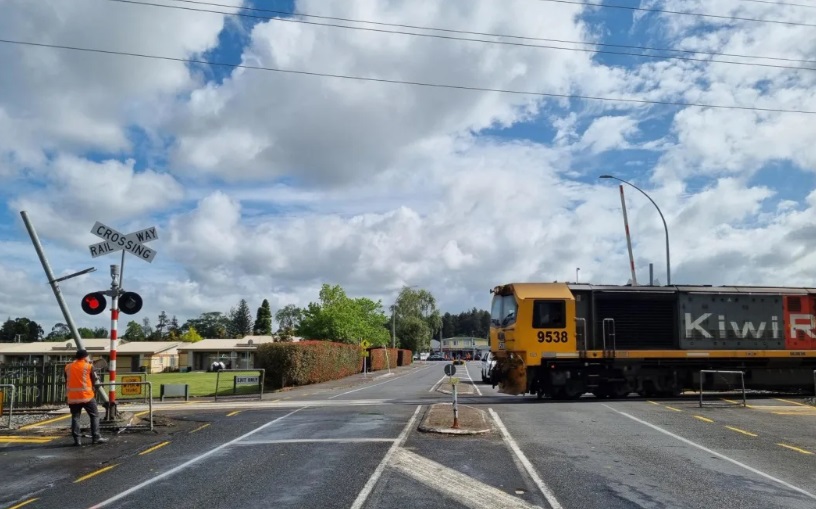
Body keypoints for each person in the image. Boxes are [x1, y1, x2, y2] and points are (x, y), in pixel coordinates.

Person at [65, 349, 107, 446]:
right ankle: (96, 437)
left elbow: (66, 380)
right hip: (87, 396)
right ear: (84, 357)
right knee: (94, 416)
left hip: (73, 397)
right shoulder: (88, 366)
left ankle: (77, 440)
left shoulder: (68, 367)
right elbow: (93, 380)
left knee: (75, 417)